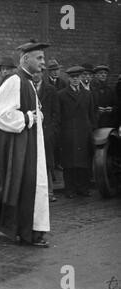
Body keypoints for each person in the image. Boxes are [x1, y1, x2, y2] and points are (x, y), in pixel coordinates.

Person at [0, 40, 51, 247]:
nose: (43, 63)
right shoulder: (14, 80)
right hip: (20, 144)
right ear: (26, 59)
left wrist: (36, 115)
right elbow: (1, 113)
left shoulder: (27, 82)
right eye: (39, 58)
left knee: (23, 184)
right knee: (25, 184)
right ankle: (26, 231)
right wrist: (28, 118)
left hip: (29, 142)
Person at [58, 66, 96, 198]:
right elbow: (59, 116)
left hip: (84, 132)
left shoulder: (88, 94)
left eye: (77, 77)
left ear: (81, 78)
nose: (75, 80)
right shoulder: (61, 95)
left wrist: (91, 130)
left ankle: (83, 188)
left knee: (84, 162)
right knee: (69, 163)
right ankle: (70, 189)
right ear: (69, 79)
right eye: (73, 77)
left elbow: (91, 114)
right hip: (68, 133)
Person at [32, 71, 60, 202]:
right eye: (33, 73)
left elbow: (56, 112)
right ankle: (35, 193)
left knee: (47, 162)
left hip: (47, 131)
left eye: (38, 73)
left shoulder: (50, 90)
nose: (35, 75)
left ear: (42, 74)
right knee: (33, 162)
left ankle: (49, 192)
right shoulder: (28, 88)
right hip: (32, 131)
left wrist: (52, 129)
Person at [91, 64, 119, 129]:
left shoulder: (111, 90)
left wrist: (112, 109)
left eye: (105, 73)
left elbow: (116, 105)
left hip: (108, 123)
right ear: (95, 75)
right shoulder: (90, 89)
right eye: (101, 73)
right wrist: (96, 110)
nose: (103, 75)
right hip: (95, 123)